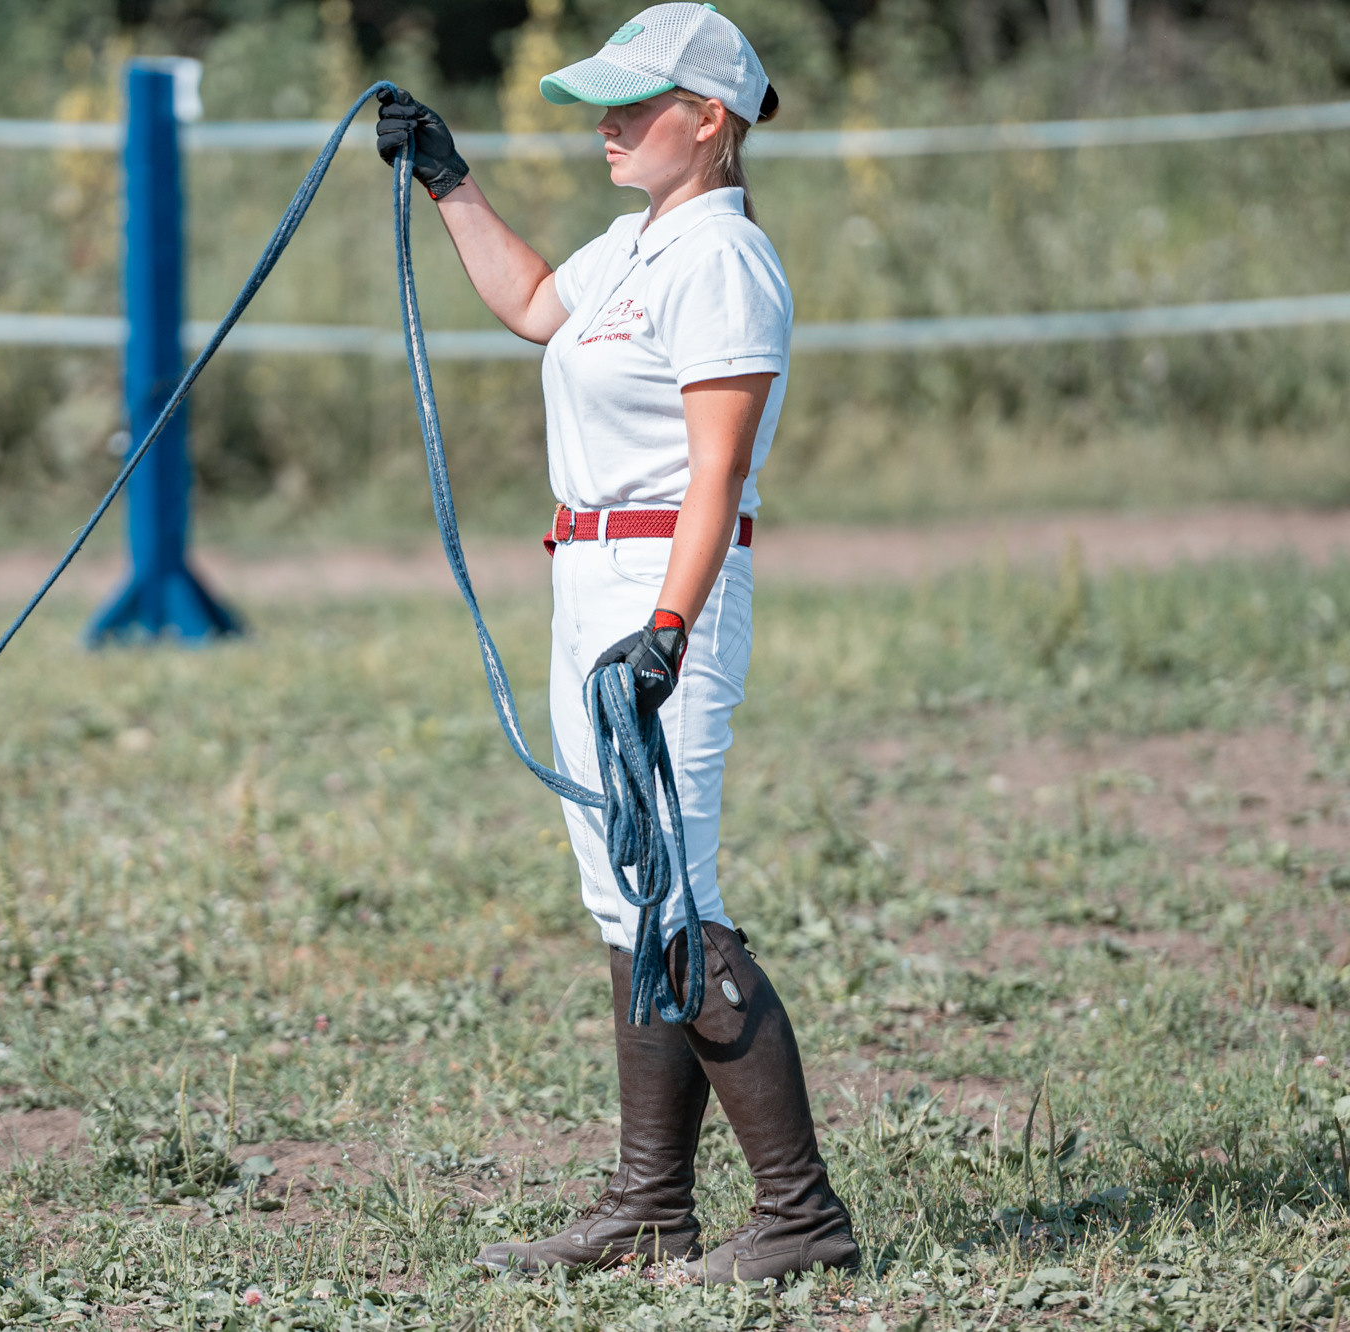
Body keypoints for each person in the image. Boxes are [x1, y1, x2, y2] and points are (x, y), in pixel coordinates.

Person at [375, 3, 859, 1285]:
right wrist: (447, 183)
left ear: (709, 121)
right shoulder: (630, 243)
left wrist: (664, 628)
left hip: (659, 582)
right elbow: (536, 305)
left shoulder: (721, 263)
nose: (604, 125)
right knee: (621, 893)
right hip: (584, 575)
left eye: (631, 107)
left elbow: (715, 475)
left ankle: (800, 1214)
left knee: (675, 898)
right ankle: (651, 1204)